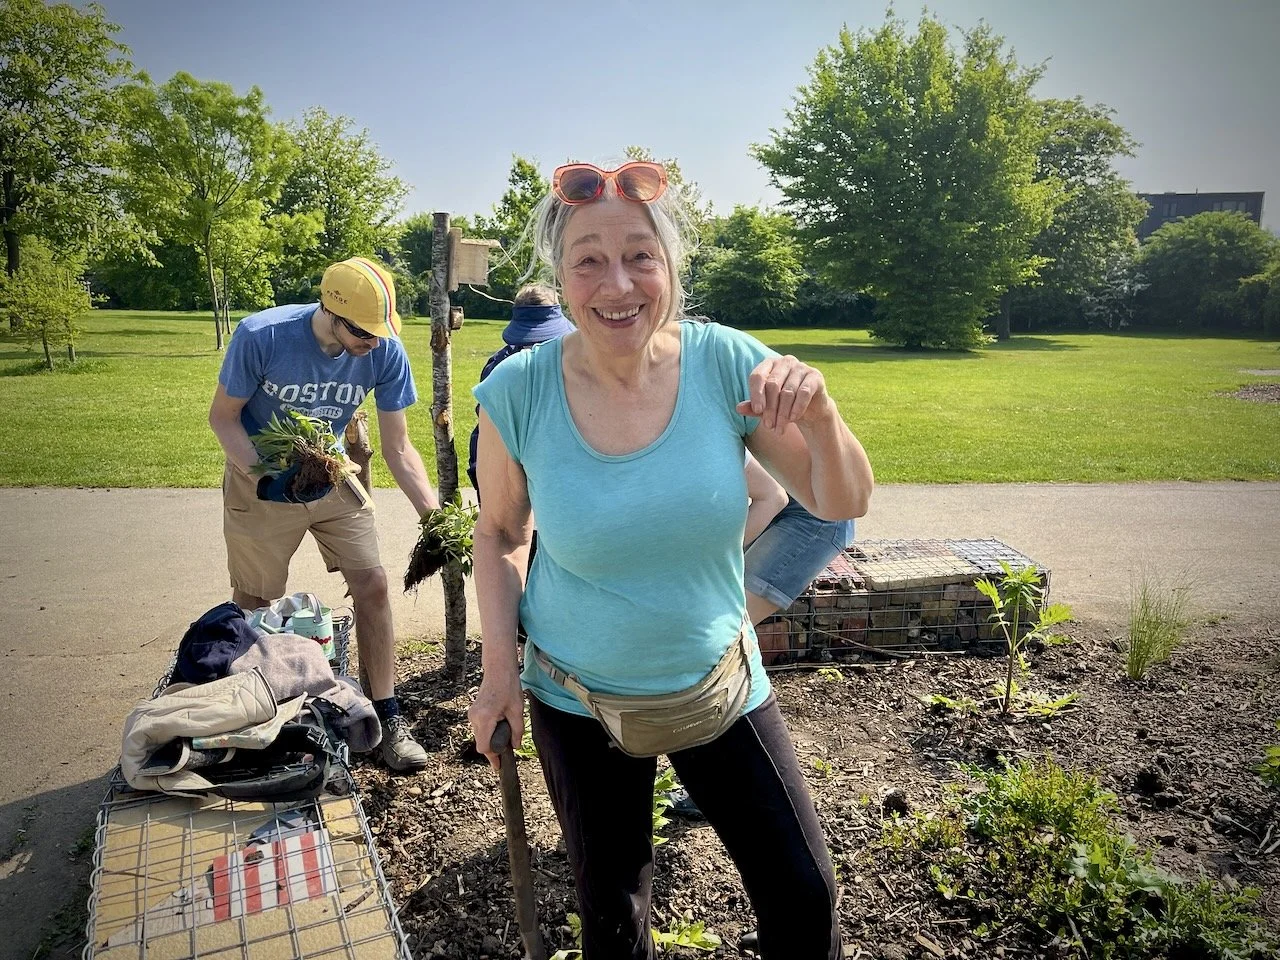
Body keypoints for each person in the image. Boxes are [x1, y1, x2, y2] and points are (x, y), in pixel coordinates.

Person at [466, 159, 874, 959]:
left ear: (670, 266)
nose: (617, 283)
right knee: (614, 918)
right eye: (589, 259)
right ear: (560, 274)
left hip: (718, 683)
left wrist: (822, 416)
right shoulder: (517, 392)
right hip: (578, 699)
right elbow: (501, 534)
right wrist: (497, 675)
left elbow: (839, 502)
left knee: (803, 892)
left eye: (640, 256)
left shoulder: (726, 364)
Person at [208, 256, 440, 772]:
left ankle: (387, 719)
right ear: (330, 312)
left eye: (380, 332)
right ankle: (256, 719)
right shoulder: (262, 336)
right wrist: (264, 475)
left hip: (332, 470)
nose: (372, 342)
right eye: (362, 331)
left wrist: (435, 516)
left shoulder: (384, 351)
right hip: (262, 477)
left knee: (375, 586)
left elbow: (399, 447)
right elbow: (223, 418)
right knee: (254, 602)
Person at [466, 283, 575, 499]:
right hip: (507, 470)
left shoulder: (576, 364)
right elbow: (489, 437)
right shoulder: (500, 369)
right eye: (531, 342)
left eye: (545, 341)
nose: (537, 349)